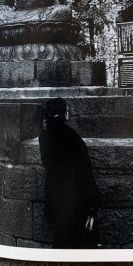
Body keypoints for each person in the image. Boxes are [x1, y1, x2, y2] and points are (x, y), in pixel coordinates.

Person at [38, 98, 102, 249]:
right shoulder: (73, 138)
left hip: (55, 197)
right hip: (74, 200)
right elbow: (85, 172)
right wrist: (92, 205)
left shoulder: (44, 137)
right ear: (65, 114)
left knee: (61, 240)